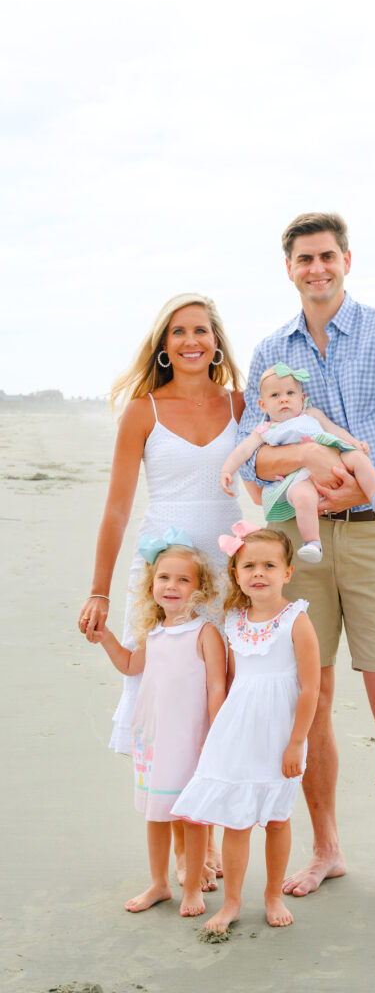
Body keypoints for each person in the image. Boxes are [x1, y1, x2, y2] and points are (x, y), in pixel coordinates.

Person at [236, 212, 375, 918]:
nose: (316, 268)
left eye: (327, 256)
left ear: (347, 261)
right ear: (290, 267)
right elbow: (252, 450)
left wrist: (370, 482)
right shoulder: (271, 352)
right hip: (301, 544)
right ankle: (327, 849)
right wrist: (307, 459)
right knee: (314, 701)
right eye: (304, 259)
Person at [78, 292, 251, 882]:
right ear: (164, 344)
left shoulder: (241, 403)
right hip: (165, 578)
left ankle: (209, 836)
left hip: (229, 576)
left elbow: (278, 468)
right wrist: (100, 592)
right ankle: (185, 852)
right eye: (178, 332)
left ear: (217, 341)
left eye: (201, 330)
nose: (191, 341)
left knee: (220, 703)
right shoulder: (143, 411)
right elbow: (117, 510)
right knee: (170, 708)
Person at [172, 524, 320, 931]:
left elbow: (310, 689)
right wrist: (220, 732)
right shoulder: (233, 620)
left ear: (287, 573)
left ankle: (272, 895)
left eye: (270, 565)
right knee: (236, 820)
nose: (259, 573)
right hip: (238, 734)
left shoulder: (296, 621)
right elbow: (234, 683)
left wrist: (296, 743)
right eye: (249, 565)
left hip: (280, 737)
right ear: (236, 574)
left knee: (275, 818)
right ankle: (233, 902)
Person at [90, 533, 227, 916]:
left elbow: (217, 687)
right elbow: (130, 667)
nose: (172, 586)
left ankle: (192, 891)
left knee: (191, 815)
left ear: (200, 589)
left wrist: (215, 736)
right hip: (155, 738)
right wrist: (107, 639)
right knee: (156, 813)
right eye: (165, 577)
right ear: (152, 584)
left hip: (191, 740)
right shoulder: (152, 633)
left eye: (184, 579)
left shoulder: (205, 633)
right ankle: (159, 883)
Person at [219, 362, 375, 562]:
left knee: (358, 458)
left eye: (290, 393)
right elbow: (243, 451)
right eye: (275, 396)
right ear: (263, 405)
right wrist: (227, 470)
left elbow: (334, 430)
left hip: (333, 455)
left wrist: (355, 443)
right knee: (303, 498)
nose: (284, 400)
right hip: (297, 477)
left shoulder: (311, 414)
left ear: (302, 398)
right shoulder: (264, 430)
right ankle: (312, 542)